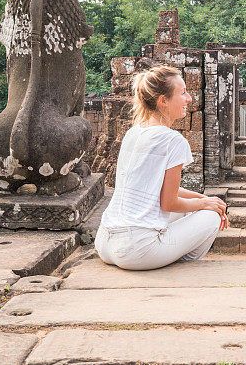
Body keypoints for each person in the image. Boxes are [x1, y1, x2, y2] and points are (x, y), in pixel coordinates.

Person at [95, 65, 228, 270]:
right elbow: (169, 202)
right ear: (163, 101)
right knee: (211, 216)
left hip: (105, 242)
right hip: (137, 250)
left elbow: (159, 187)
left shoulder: (134, 133)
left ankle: (165, 254)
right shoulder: (173, 140)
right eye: (183, 93)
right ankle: (176, 265)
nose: (190, 98)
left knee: (204, 207)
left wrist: (204, 199)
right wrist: (206, 206)